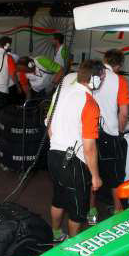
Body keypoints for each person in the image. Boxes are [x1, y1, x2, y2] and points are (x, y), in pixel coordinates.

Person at [47, 59, 104, 240]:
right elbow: (89, 148)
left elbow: (49, 125)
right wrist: (95, 176)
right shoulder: (90, 104)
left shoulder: (61, 92)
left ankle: (56, 234)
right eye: (101, 77)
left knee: (58, 199)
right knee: (78, 212)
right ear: (94, 79)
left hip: (53, 156)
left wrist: (58, 142)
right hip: (74, 163)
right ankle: (72, 247)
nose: (102, 81)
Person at [90, 48, 129, 221]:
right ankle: (118, 209)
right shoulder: (119, 80)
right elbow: (124, 113)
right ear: (119, 65)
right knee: (115, 174)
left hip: (89, 132)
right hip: (109, 133)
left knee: (92, 171)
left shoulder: (91, 74)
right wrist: (120, 132)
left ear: (105, 60)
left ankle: (91, 210)